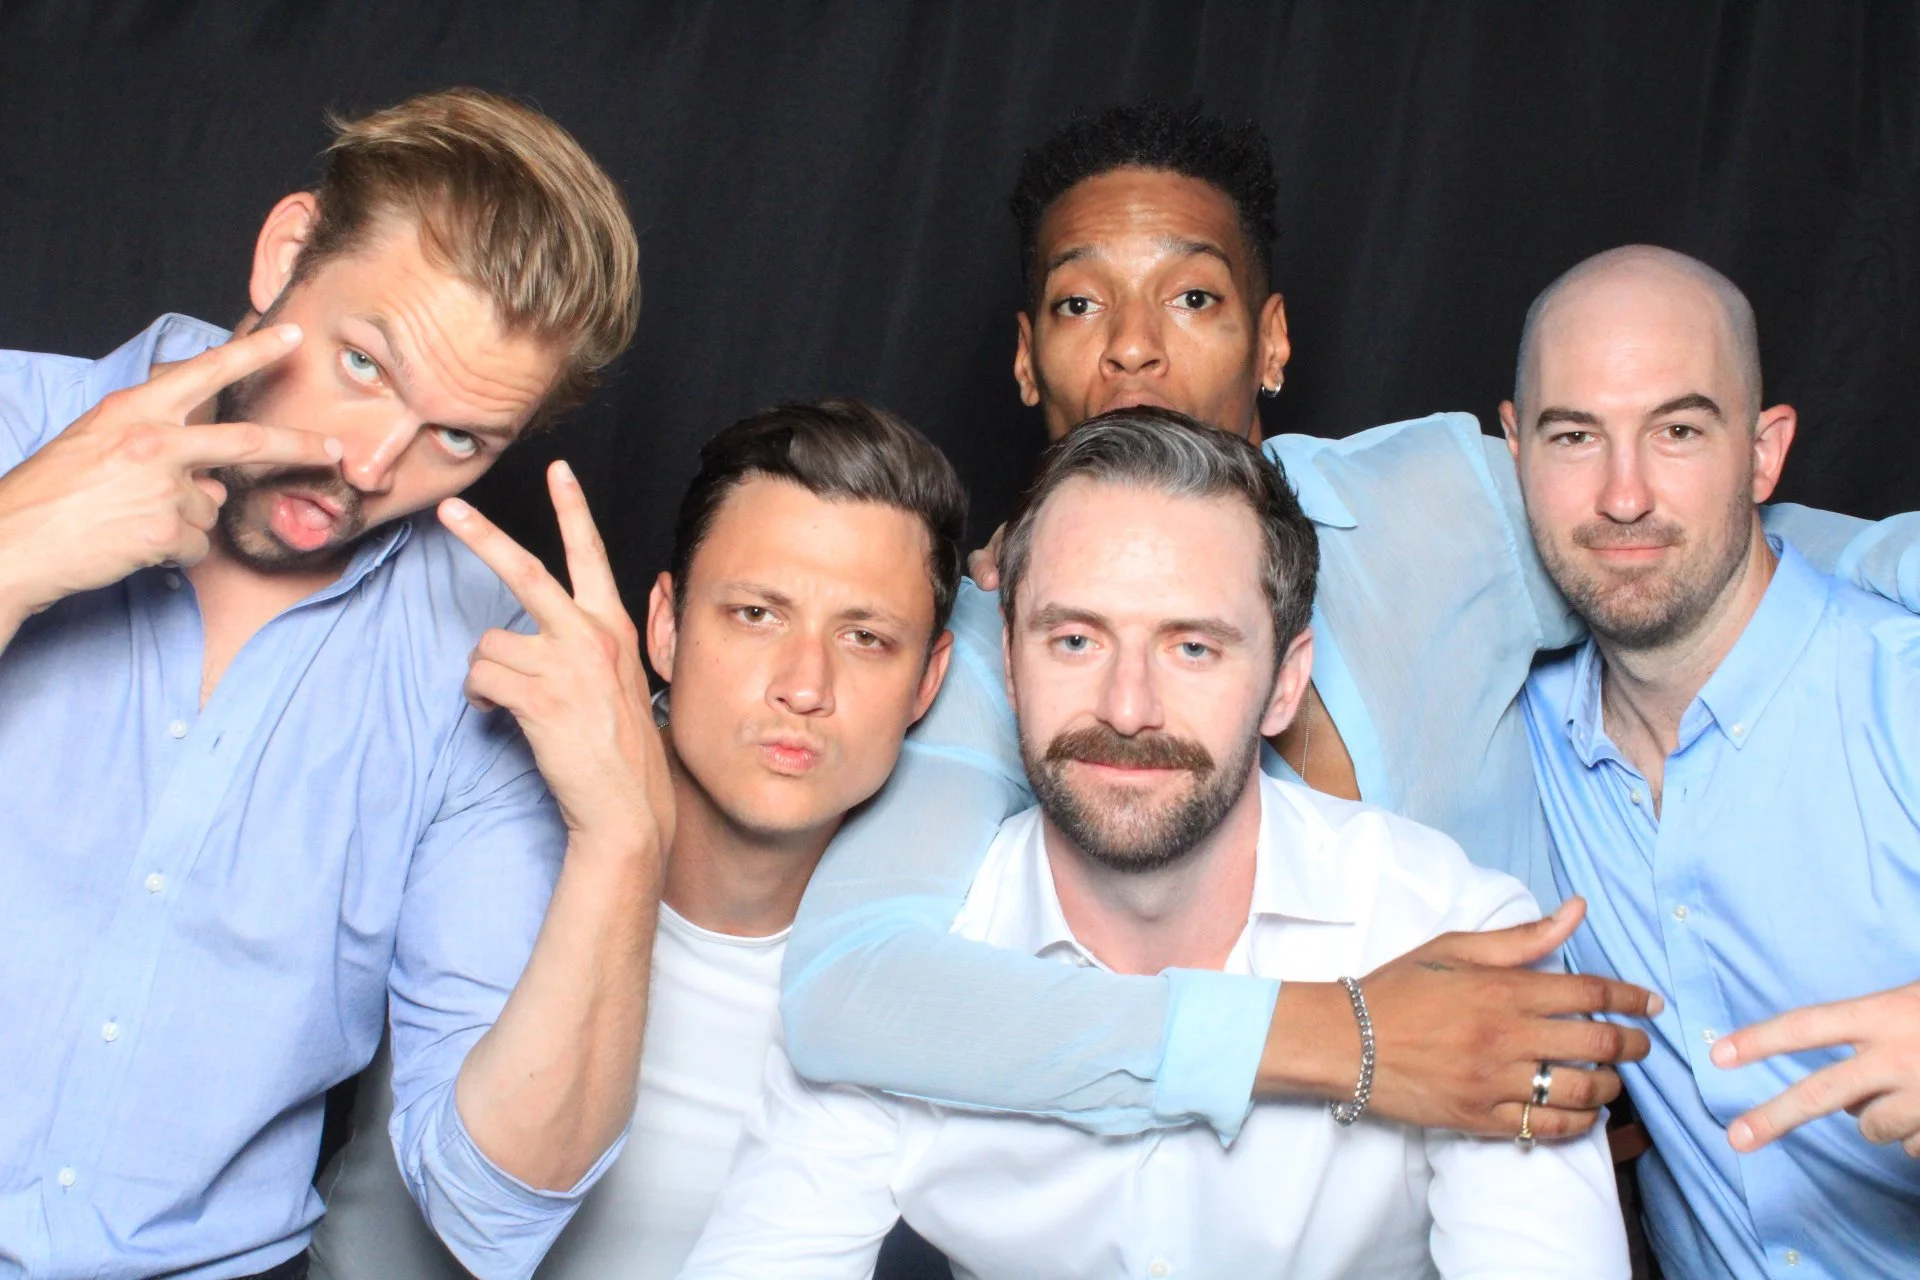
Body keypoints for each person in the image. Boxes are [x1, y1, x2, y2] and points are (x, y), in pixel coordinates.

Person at [779, 100, 1920, 1149]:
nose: (1134, 345)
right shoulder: (998, 645)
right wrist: (1348, 1037)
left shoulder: (1433, 499)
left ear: (1271, 340)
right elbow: (848, 989)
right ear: (1029, 361)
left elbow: (1699, 531)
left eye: (1193, 296)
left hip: (1558, 1184)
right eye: (1080, 303)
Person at [683, 409, 1630, 1279]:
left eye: (1193, 648)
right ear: (1005, 661)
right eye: (1076, 642)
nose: (1128, 710)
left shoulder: (1463, 939)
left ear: (1285, 683)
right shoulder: (910, 982)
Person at [0, 90, 664, 1280]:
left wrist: (626, 836)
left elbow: (492, 1203)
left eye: (459, 439)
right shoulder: (9, 432)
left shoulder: (493, 661)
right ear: (285, 252)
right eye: (364, 363)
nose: (368, 464)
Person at [306, 400, 964, 1280]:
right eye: (756, 614)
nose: (804, 686)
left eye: (866, 637)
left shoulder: (939, 935)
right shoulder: (490, 809)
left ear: (929, 681)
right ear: (664, 626)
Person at [1508, 245, 1920, 1278]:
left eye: (1679, 430)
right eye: (1574, 436)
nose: (1625, 495)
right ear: (1514, 450)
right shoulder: (1512, 725)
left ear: (1764, 451)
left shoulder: (1898, 694)